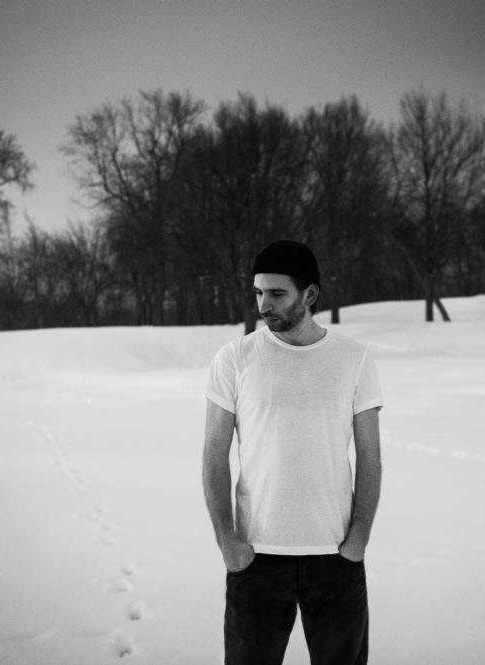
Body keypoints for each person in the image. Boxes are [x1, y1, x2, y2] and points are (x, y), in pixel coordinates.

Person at [203, 240, 383, 665]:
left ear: (310, 294)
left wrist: (358, 539)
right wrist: (228, 543)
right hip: (256, 557)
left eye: (277, 293)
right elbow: (213, 454)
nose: (263, 305)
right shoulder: (235, 359)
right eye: (258, 292)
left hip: (335, 556)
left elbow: (370, 456)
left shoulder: (354, 359)